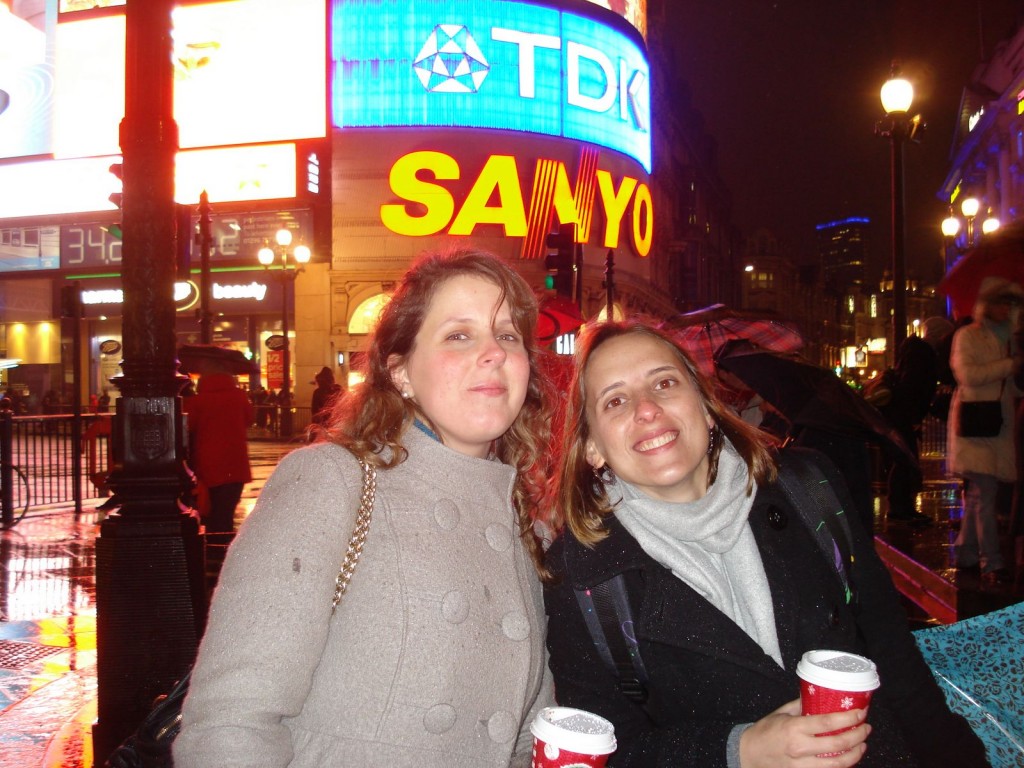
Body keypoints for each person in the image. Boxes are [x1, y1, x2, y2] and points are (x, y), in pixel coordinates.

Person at [543, 320, 989, 768]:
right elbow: (610, 752)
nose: (646, 409)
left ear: (706, 405)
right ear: (591, 448)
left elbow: (896, 663)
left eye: (664, 382)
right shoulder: (580, 574)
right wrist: (742, 750)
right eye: (616, 400)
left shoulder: (808, 489)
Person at [175, 248, 555, 767]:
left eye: (508, 335)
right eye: (459, 335)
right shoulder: (332, 482)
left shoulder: (523, 523)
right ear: (400, 372)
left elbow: (524, 731)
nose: (493, 353)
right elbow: (233, 721)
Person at [948, 276, 1023, 587]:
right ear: (987, 305)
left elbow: (1016, 385)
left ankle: (965, 553)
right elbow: (968, 375)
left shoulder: (1011, 339)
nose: (1006, 309)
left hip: (999, 423)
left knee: (980, 495)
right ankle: (991, 561)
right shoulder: (968, 336)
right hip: (976, 424)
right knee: (985, 494)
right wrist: (1008, 365)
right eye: (1001, 302)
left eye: (1011, 303)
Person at [877, 316, 953, 527]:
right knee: (905, 461)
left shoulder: (914, 350)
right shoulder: (923, 354)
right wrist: (913, 417)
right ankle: (901, 509)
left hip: (900, 414)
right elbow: (914, 387)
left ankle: (902, 508)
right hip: (904, 415)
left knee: (904, 460)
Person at [183, 368, 254, 534]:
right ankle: (224, 546)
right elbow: (249, 419)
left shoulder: (198, 401)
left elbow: (188, 427)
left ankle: (213, 546)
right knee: (227, 511)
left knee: (211, 510)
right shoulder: (239, 396)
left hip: (209, 464)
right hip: (236, 463)